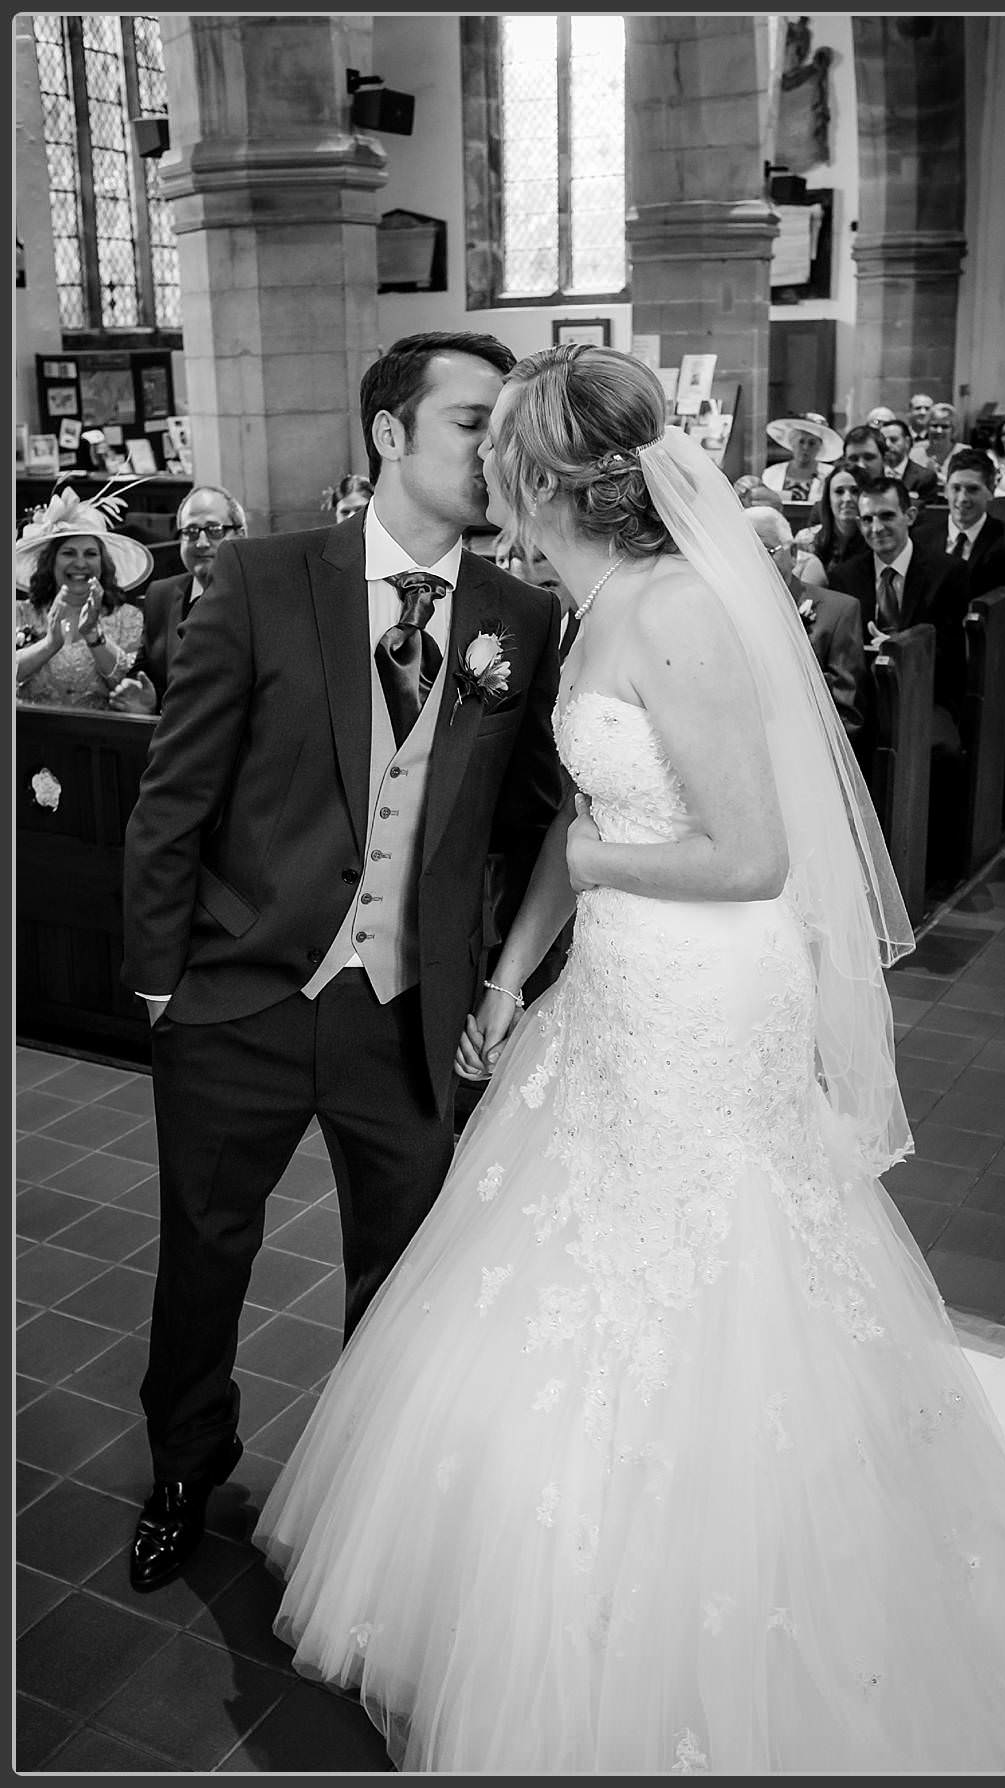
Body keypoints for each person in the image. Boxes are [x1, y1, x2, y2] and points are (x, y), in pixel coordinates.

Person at [246, 345, 1005, 1771]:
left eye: (499, 452)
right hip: (616, 985)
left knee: (711, 1256)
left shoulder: (678, 612)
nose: (484, 474)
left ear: (545, 478)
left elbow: (750, 857)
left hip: (701, 986)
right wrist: (508, 973)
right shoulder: (588, 607)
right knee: (564, 1243)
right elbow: (574, 823)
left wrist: (601, 860)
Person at [118, 331, 568, 1595]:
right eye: (475, 423)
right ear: (390, 434)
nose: (500, 450)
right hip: (239, 999)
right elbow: (174, 797)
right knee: (205, 1252)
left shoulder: (521, 618)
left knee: (404, 1268)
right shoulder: (262, 581)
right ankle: (186, 1468)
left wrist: (509, 978)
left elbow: (538, 818)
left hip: (407, 1014)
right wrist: (163, 978)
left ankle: (368, 1510)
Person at [828, 474, 973, 754]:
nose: (876, 528)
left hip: (927, 694)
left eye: (886, 516)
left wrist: (901, 650)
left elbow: (952, 656)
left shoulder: (948, 573)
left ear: (909, 515)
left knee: (934, 747)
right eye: (867, 519)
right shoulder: (845, 576)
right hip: (864, 696)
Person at [14, 485, 157, 712]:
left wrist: (93, 634)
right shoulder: (18, 613)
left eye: (90, 554)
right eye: (68, 553)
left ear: (103, 563)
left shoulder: (129, 617)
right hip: (29, 738)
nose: (80, 563)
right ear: (50, 563)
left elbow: (127, 689)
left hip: (100, 741)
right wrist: (50, 644)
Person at [747, 504, 863, 748]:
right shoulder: (725, 613)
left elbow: (847, 716)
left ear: (793, 553)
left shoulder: (838, 611)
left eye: (766, 550)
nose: (754, 561)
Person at [141, 485, 249, 699]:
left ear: (241, 535)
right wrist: (146, 702)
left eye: (214, 530)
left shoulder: (265, 597)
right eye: (190, 532)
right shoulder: (160, 595)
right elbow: (146, 671)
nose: (201, 543)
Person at [924, 447, 1005, 599]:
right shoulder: (922, 538)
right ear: (946, 490)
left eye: (972, 489)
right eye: (956, 488)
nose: (962, 499)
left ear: (991, 491)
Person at [802, 462, 871, 572]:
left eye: (855, 491)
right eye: (839, 491)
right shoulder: (805, 541)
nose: (847, 498)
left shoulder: (876, 542)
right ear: (828, 499)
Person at [761, 414, 835, 509]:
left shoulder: (830, 474)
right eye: (801, 441)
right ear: (792, 443)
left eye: (812, 443)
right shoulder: (771, 473)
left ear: (819, 447)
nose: (805, 447)